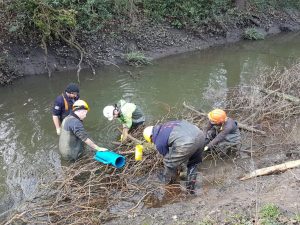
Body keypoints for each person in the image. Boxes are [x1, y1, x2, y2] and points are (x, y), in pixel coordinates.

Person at [143, 120, 205, 194]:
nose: (153, 142)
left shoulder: (159, 141)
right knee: (193, 163)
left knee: (168, 162)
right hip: (200, 135)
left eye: (151, 140)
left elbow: (168, 159)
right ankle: (190, 189)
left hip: (187, 142)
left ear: (151, 136)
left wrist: (175, 167)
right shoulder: (167, 125)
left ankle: (168, 182)